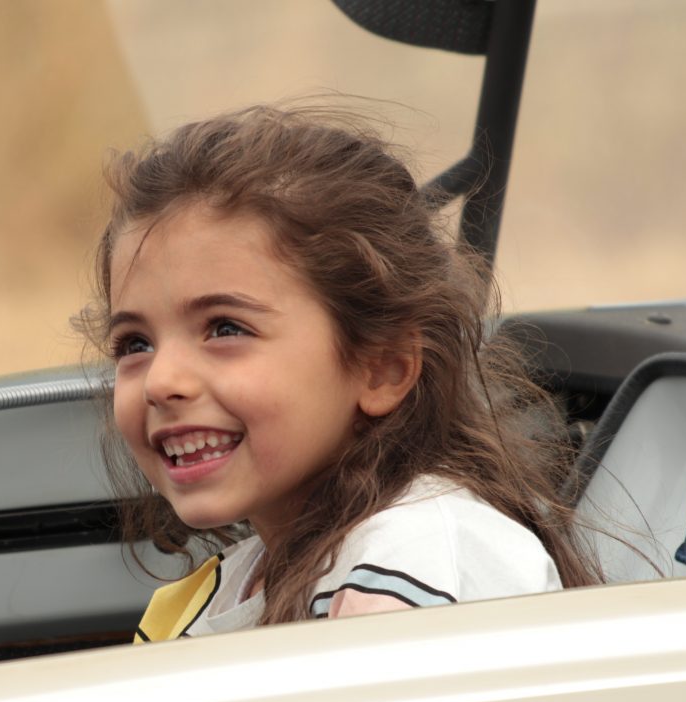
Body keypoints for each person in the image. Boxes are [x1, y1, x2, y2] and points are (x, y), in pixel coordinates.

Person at [76, 105, 602, 642]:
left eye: (225, 328)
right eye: (135, 343)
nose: (163, 381)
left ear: (382, 369)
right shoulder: (208, 598)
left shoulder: (414, 567)